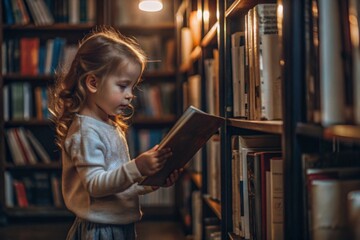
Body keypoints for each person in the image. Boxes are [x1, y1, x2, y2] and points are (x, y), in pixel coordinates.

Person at [49, 27, 181, 240]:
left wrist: (151, 180)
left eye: (133, 87)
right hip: (101, 229)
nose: (130, 95)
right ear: (93, 82)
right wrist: (137, 167)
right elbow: (96, 185)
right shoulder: (86, 132)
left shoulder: (108, 125)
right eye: (122, 86)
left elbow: (118, 185)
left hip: (120, 226)